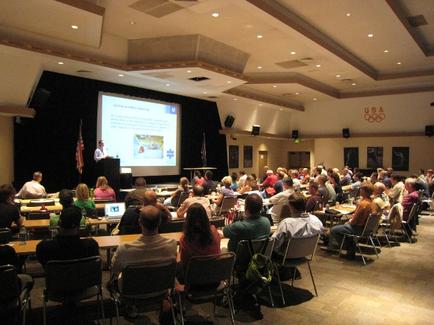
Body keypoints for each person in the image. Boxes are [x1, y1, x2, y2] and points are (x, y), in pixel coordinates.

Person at [111, 205, 177, 280]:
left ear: (140, 222)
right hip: (162, 289)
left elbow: (115, 268)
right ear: (160, 222)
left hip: (132, 290)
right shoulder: (172, 245)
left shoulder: (124, 249)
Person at [326, 183, 377, 259]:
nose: (360, 190)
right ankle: (350, 249)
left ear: (365, 192)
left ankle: (348, 247)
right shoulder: (372, 202)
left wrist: (348, 222)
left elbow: (354, 220)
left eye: (361, 189)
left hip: (357, 228)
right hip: (366, 229)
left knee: (334, 230)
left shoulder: (363, 204)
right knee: (343, 225)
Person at [178, 203, 221, 279]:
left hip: (192, 281)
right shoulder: (214, 231)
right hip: (215, 278)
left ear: (188, 219)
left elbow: (184, 263)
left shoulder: (185, 239)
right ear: (205, 216)